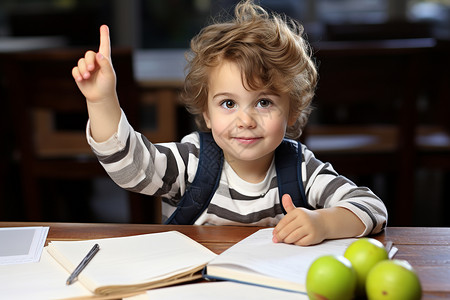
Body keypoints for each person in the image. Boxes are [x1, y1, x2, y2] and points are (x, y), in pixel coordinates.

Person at [72, 0, 387, 246]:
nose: (246, 120)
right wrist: (102, 101)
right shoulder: (192, 160)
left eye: (264, 102)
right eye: (228, 103)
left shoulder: (300, 168)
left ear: (291, 112)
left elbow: (372, 208)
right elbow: (131, 167)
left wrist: (323, 223)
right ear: (206, 113)